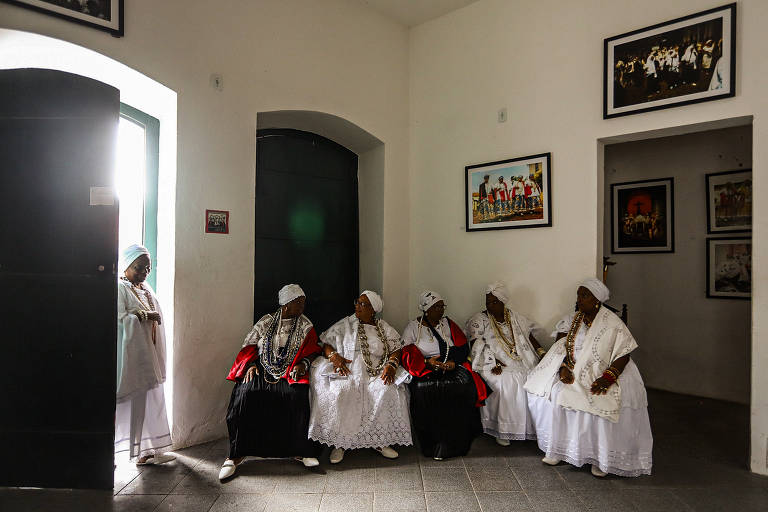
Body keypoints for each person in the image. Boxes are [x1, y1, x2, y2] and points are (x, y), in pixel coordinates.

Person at [525, 278, 653, 478]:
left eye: (584, 295)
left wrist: (608, 378)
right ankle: (559, 449)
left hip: (605, 371)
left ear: (597, 300)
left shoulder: (612, 323)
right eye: (578, 294)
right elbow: (560, 348)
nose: (579, 299)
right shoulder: (573, 320)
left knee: (601, 399)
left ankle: (601, 459)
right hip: (575, 370)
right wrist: (563, 368)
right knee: (556, 392)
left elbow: (624, 353)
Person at [219, 284, 322, 480]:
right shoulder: (265, 322)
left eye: (303, 302)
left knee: (296, 395)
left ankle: (300, 451)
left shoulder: (305, 325)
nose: (302, 306)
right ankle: (235, 455)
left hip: (290, 369)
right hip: (261, 368)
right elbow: (248, 345)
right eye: (298, 303)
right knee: (245, 394)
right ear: (286, 305)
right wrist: (249, 365)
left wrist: (304, 363)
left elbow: (314, 349)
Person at [308, 291, 411, 464]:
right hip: (347, 368)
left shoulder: (383, 327)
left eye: (363, 304)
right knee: (342, 392)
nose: (357, 306)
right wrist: (334, 356)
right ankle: (340, 443)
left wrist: (391, 365)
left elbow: (396, 348)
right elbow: (326, 343)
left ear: (373, 310)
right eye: (357, 302)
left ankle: (379, 441)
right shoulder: (346, 324)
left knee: (385, 390)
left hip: (375, 370)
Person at [400, 291, 487, 460]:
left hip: (450, 366)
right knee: (425, 390)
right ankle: (433, 444)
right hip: (425, 369)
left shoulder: (447, 324)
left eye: (442, 306)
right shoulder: (413, 327)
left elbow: (462, 347)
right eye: (436, 307)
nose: (441, 310)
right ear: (426, 309)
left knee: (463, 385)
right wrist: (427, 363)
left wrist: (454, 362)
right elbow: (406, 352)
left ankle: (456, 443)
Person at [115, 244, 175, 466]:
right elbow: (119, 319)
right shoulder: (120, 288)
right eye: (139, 267)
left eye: (147, 268)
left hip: (148, 351)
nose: (143, 273)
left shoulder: (146, 288)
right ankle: (115, 452)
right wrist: (139, 316)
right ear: (127, 265)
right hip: (132, 356)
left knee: (150, 398)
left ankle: (147, 450)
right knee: (127, 402)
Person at [466, 282, 546, 445]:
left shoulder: (515, 318)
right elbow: (475, 343)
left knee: (531, 378)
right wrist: (492, 360)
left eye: (494, 302)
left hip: (520, 359)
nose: (490, 305)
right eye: (488, 302)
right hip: (492, 362)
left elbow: (530, 337)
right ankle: (503, 429)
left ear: (503, 301)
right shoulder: (479, 319)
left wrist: (542, 353)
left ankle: (529, 428)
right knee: (506, 382)